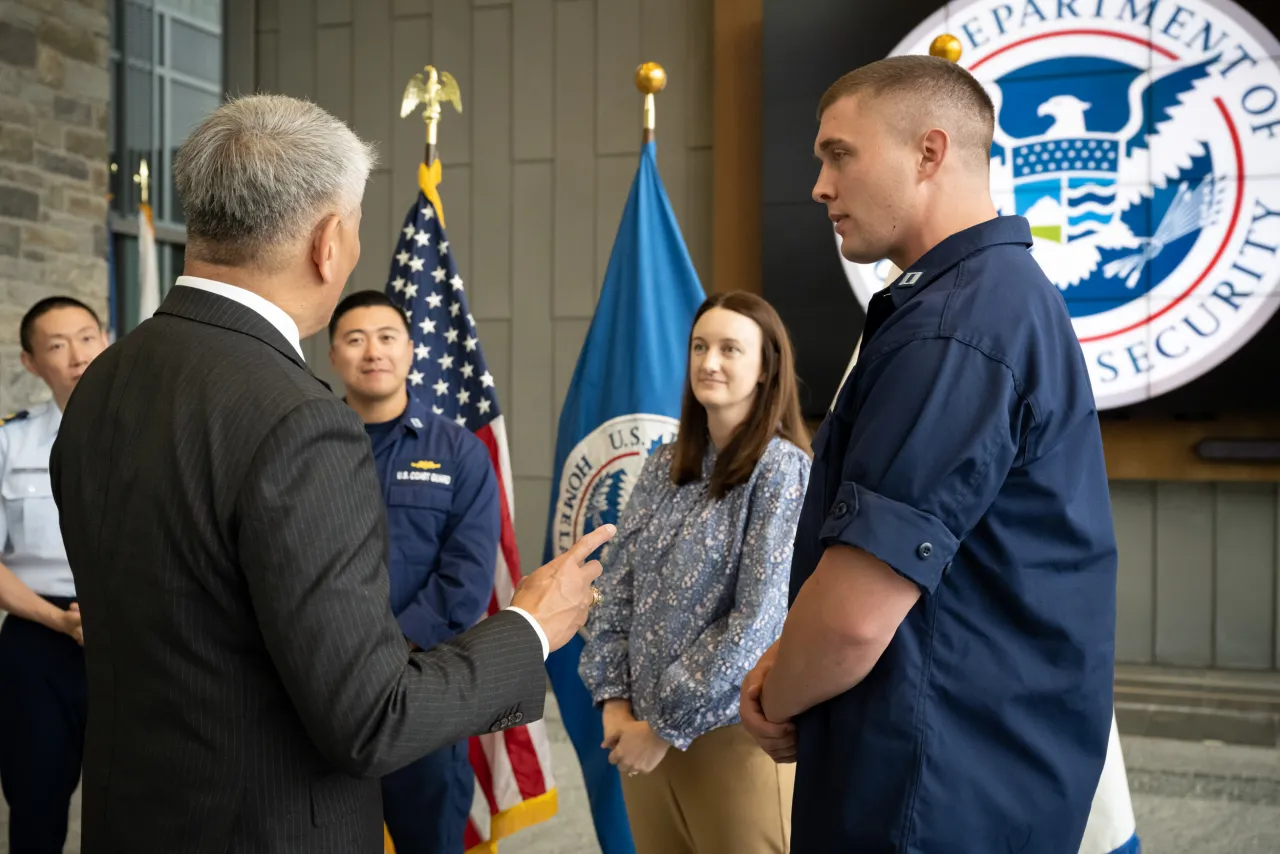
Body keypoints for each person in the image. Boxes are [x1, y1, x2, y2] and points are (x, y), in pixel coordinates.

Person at [48, 93, 611, 854]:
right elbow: (372, 719)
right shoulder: (299, 419)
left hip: (132, 818)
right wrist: (530, 627)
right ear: (329, 241)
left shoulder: (104, 381)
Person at [739, 55, 1118, 853]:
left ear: (930, 152)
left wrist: (777, 694)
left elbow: (853, 619)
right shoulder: (998, 300)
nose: (818, 185)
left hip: (926, 795)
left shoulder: (957, 328)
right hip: (963, 778)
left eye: (839, 153)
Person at [580, 292, 811, 854]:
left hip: (729, 739)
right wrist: (615, 700)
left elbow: (759, 622)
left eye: (731, 349)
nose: (710, 362)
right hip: (638, 739)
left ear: (766, 369)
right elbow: (614, 589)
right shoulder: (664, 465)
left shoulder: (782, 471)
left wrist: (661, 725)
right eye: (700, 346)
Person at [328, 290, 499, 853]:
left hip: (419, 687)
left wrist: (394, 647)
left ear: (411, 350)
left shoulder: (459, 452)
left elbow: (467, 575)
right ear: (332, 355)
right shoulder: (305, 443)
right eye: (355, 339)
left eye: (386, 337)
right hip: (321, 683)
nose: (372, 351)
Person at [0, 297, 107, 853]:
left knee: (142, 801)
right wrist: (59, 622)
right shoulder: (8, 442)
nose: (76, 355)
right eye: (57, 345)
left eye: (87, 337)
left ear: (107, 339)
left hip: (132, 636)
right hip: (37, 639)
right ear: (29, 361)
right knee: (36, 801)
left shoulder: (154, 433)